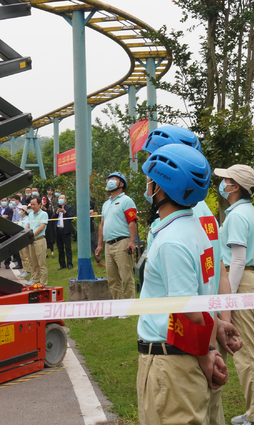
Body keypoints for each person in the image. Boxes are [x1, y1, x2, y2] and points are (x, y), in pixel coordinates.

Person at [137, 144, 228, 425]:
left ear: (161, 188)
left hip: (172, 364)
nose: (147, 186)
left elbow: (188, 310)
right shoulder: (194, 229)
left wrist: (205, 358)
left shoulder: (172, 240)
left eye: (150, 180)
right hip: (184, 358)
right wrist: (210, 351)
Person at [215, 164, 254, 425]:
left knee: (246, 352)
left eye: (225, 180)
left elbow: (237, 261)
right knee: (250, 349)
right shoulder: (247, 211)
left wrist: (228, 298)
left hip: (240, 281)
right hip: (246, 279)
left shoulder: (237, 216)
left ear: (235, 186)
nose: (222, 183)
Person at [94, 172, 138, 300]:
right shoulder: (106, 204)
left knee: (126, 276)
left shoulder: (126, 201)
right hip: (109, 245)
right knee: (112, 279)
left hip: (122, 243)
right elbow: (102, 225)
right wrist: (100, 245)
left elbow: (132, 222)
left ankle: (129, 305)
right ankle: (117, 306)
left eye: (114, 179)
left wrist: (132, 242)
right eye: (109, 179)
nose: (110, 181)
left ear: (121, 184)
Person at [26, 195, 49, 286]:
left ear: (39, 204)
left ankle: (43, 282)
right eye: (31, 204)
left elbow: (41, 227)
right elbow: (28, 225)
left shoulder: (44, 214)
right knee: (33, 262)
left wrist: (32, 235)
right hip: (31, 241)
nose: (32, 206)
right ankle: (35, 279)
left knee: (41, 263)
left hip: (39, 240)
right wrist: (27, 233)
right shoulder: (30, 214)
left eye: (34, 204)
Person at [54, 193, 75, 269]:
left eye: (62, 198)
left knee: (68, 247)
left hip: (66, 230)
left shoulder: (68, 208)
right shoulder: (56, 208)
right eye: (59, 198)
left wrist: (64, 212)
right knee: (60, 248)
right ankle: (62, 264)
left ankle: (70, 263)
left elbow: (71, 216)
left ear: (65, 200)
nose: (60, 200)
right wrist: (56, 213)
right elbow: (52, 218)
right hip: (58, 230)